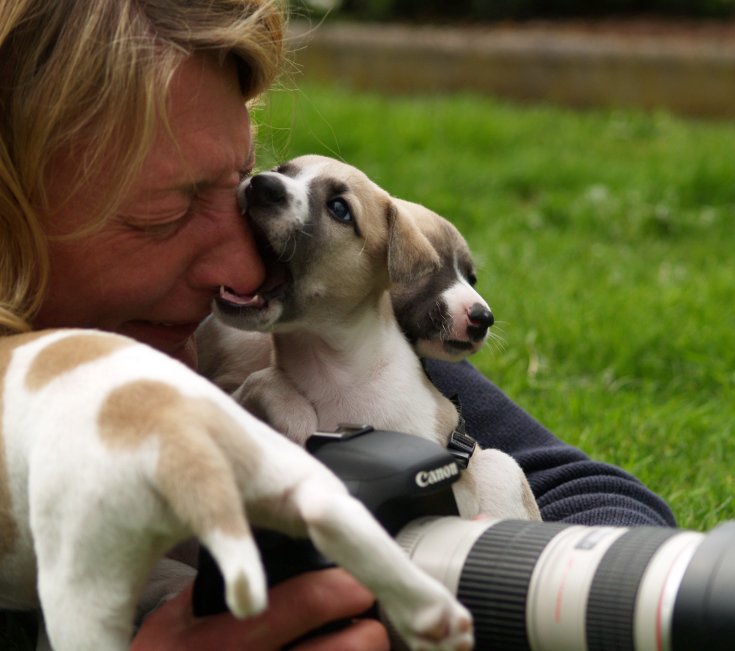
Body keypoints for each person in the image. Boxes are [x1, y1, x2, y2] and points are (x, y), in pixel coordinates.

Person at [1, 0, 674, 648]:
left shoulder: (243, 339)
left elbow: (604, 508)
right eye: (162, 216)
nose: (245, 265)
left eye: (239, 187)